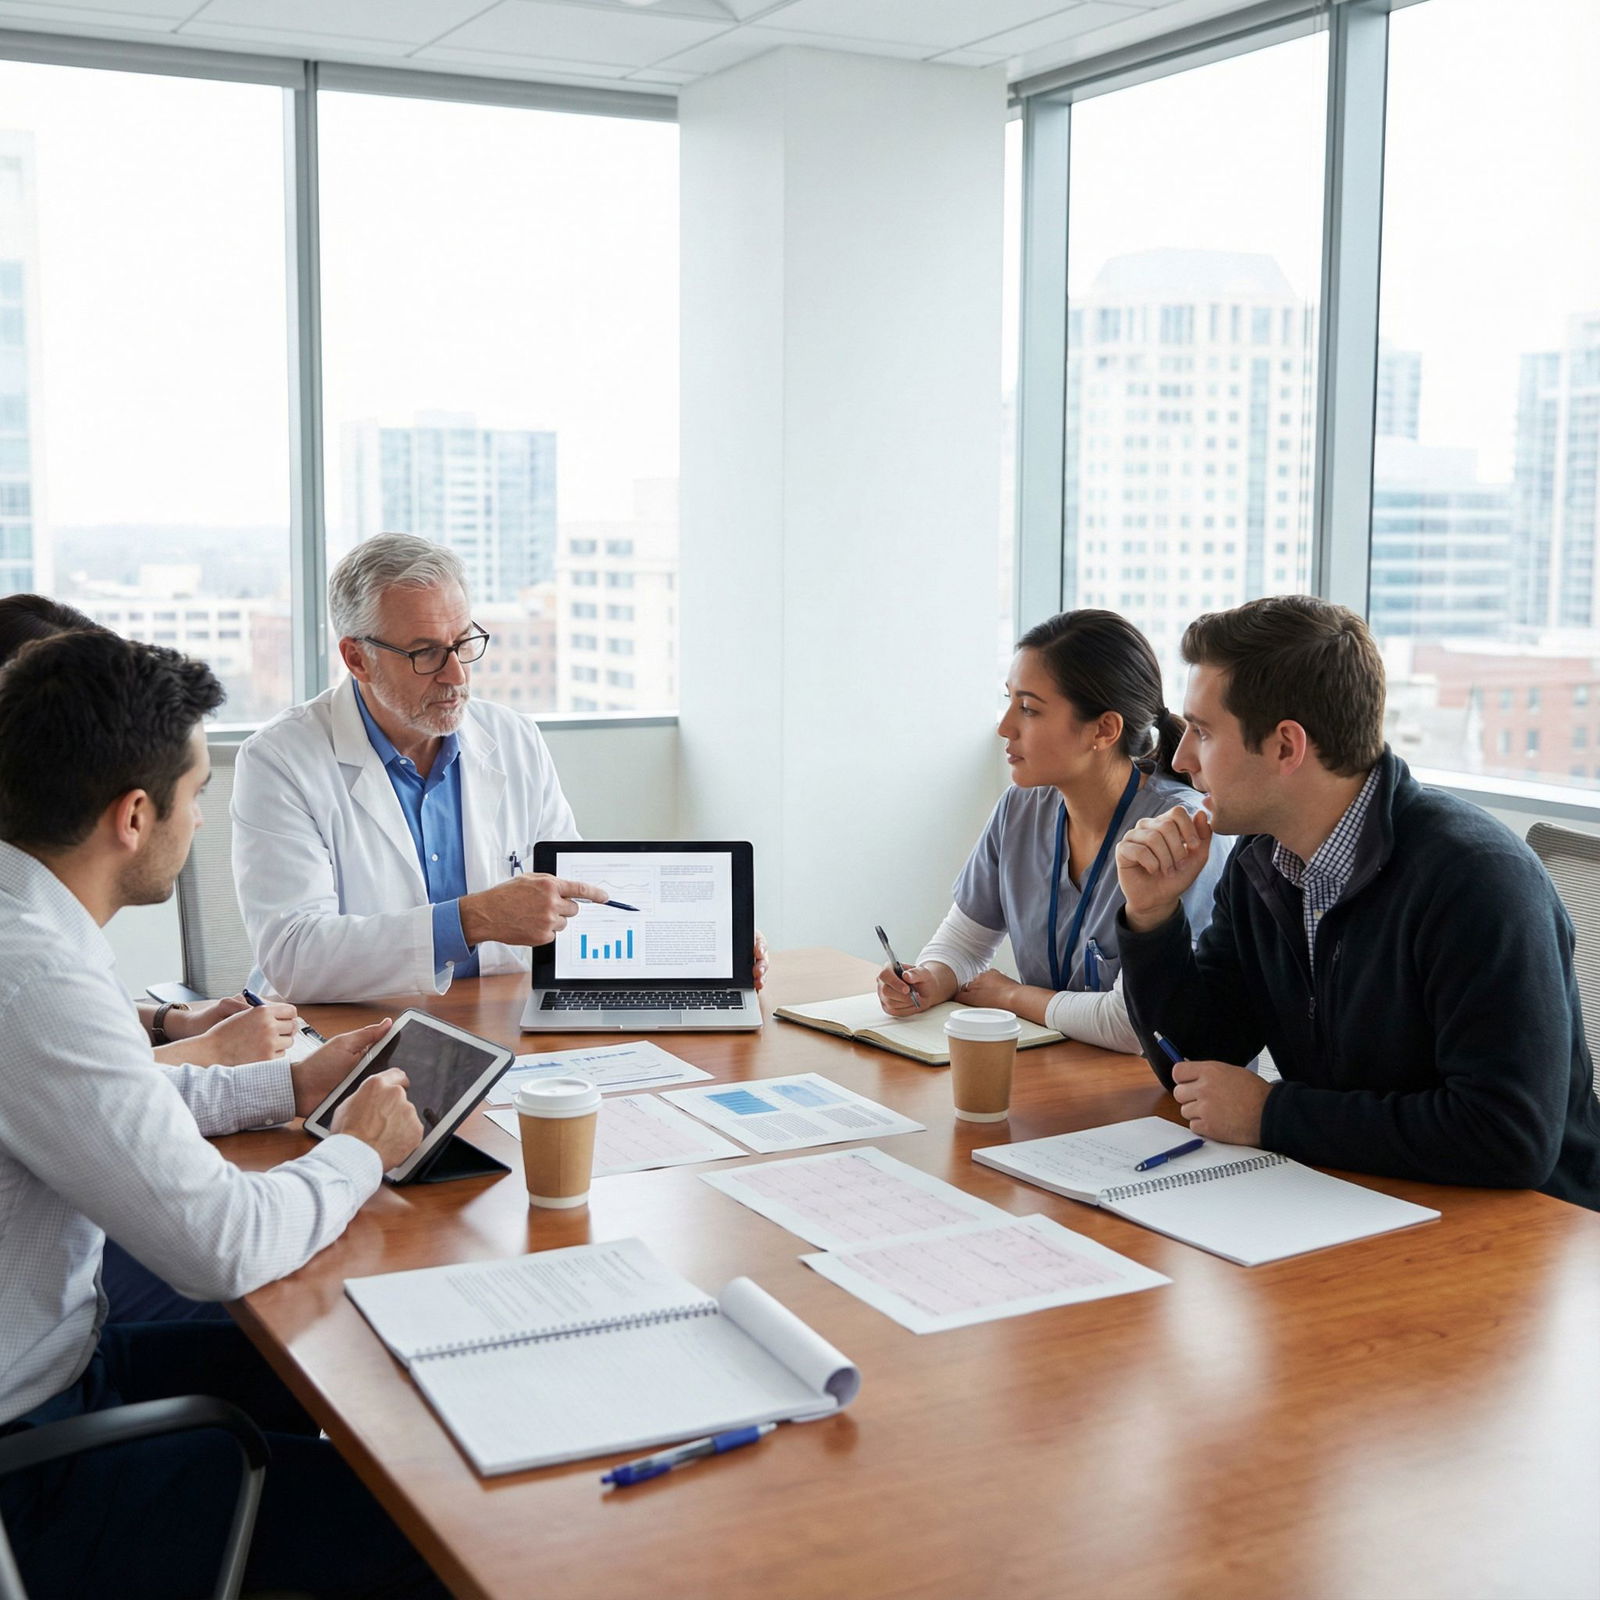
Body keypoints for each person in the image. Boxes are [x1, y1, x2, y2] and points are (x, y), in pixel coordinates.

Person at [0, 628, 445, 1598]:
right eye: (197, 795)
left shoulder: (23, 926)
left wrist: (288, 1086)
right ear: (132, 815)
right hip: (35, 1470)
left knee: (349, 1376)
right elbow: (223, 1245)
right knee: (430, 1528)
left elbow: (108, 1099)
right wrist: (357, 1153)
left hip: (65, 1373)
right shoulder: (30, 979)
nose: (199, 821)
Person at [1114, 594, 1600, 1210]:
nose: (1180, 759)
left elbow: (1508, 1135)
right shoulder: (1261, 863)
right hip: (1356, 1197)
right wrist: (1152, 919)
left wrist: (1274, 1115)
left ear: (1287, 746)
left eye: (1203, 733)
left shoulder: (1478, 880)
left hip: (1528, 1232)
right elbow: (1198, 1065)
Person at [233, 534, 766, 1002]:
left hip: (498, 1019)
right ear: (356, 658)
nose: (456, 675)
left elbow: (574, 900)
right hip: (355, 1039)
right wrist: (473, 920)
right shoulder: (280, 760)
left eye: (464, 643)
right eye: (425, 653)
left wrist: (706, 949)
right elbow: (294, 957)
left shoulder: (512, 738)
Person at [876, 610, 1227, 1051]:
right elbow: (965, 941)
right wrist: (930, 977)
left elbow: (1133, 1023)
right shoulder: (1021, 808)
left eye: (1027, 709)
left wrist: (1010, 996)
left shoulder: (1181, 833)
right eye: (1008, 701)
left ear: (1103, 730)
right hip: (1062, 1072)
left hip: (1159, 1096)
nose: (1005, 726)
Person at [0, 593, 305, 1071]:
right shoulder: (31, 959)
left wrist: (170, 1022)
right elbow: (60, 1047)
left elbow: (69, 1027)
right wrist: (210, 1052)